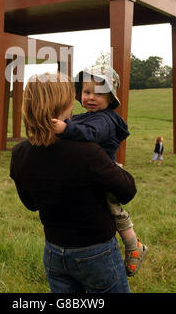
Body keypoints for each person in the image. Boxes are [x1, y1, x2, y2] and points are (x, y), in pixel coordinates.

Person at [10, 72, 137, 293]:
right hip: (97, 252)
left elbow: (31, 204)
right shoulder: (87, 150)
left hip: (54, 252)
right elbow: (127, 190)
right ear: (64, 103)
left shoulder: (20, 152)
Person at [51, 67, 148, 277]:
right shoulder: (83, 117)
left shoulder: (105, 119)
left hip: (105, 177)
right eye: (87, 92)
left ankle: (134, 246)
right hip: (89, 176)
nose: (91, 98)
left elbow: (91, 135)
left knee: (115, 210)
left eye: (99, 93)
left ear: (110, 98)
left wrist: (66, 129)